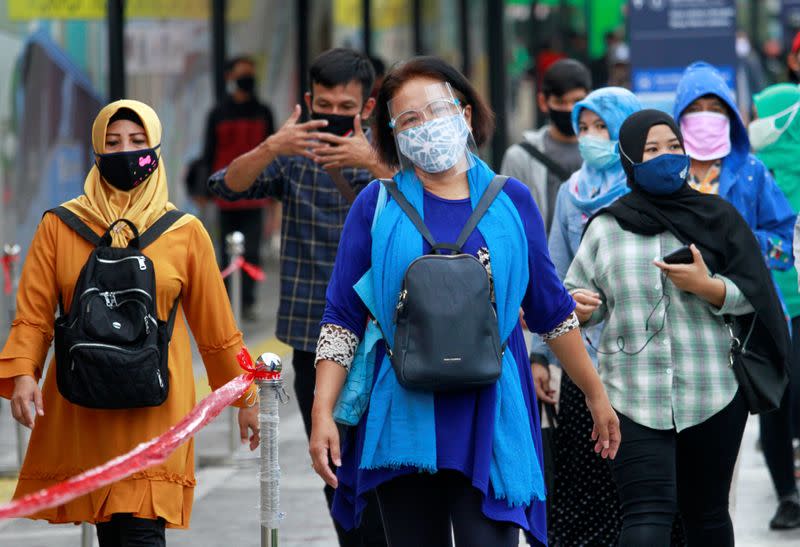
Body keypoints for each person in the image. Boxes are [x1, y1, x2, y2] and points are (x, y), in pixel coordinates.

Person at [309, 56, 619, 547]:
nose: (426, 125)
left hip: (491, 412)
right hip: (401, 419)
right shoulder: (376, 206)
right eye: (409, 119)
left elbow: (551, 311)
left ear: (467, 113)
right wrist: (322, 411)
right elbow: (342, 320)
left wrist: (595, 392)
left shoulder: (511, 201)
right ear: (392, 133)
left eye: (437, 109)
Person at [0, 100, 260, 547]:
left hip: (157, 413)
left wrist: (248, 396)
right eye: (113, 142)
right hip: (87, 404)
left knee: (139, 532)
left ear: (156, 148)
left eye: (138, 142)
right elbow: (35, 315)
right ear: (96, 150)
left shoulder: (184, 232)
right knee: (113, 533)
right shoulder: (60, 226)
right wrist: (25, 371)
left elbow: (217, 331)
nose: (125, 151)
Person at [565, 109, 789, 546]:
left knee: (706, 516)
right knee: (645, 517)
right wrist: (583, 309)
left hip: (713, 394)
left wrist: (710, 288)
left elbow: (756, 292)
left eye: (673, 147)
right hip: (630, 396)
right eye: (651, 150)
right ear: (629, 159)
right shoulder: (606, 228)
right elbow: (576, 300)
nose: (666, 156)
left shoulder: (718, 218)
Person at [207, 47, 392, 547]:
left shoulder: (392, 156)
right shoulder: (294, 158)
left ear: (368, 108)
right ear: (309, 102)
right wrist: (272, 147)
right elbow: (226, 187)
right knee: (331, 461)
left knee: (386, 460)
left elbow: (433, 206)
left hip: (386, 340)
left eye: (346, 108)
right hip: (313, 335)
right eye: (324, 106)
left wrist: (372, 160)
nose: (333, 117)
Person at [672, 61, 798, 531]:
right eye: (695, 109)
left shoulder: (751, 173)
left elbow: (784, 240)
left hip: (744, 330)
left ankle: (778, 494)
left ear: (732, 115)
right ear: (678, 116)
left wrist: (743, 246)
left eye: (715, 108)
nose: (706, 117)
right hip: (679, 330)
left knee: (718, 466)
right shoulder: (667, 173)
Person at [531, 87, 641, 546]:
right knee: (586, 480)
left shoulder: (644, 191)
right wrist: (541, 355)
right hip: (582, 361)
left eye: (603, 127)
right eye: (584, 128)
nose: (591, 137)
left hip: (640, 363)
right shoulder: (572, 194)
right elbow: (551, 276)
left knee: (636, 484)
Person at [749, 83, 800, 529]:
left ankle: (789, 490)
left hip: (776, 299)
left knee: (784, 397)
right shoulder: (751, 171)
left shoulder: (751, 171)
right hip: (774, 301)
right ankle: (787, 493)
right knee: (777, 399)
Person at [201, 55, 275, 321]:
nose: (247, 80)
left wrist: (274, 203)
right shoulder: (218, 114)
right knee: (224, 253)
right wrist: (204, 191)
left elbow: (273, 155)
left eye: (250, 74)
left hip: (255, 197)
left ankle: (248, 302)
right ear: (229, 77)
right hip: (224, 198)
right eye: (242, 74)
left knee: (252, 252)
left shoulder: (263, 112)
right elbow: (209, 153)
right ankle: (226, 302)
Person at [500, 58, 591, 235]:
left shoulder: (603, 152)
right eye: (560, 102)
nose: (569, 109)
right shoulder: (521, 157)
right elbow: (508, 220)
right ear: (543, 102)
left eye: (577, 101)